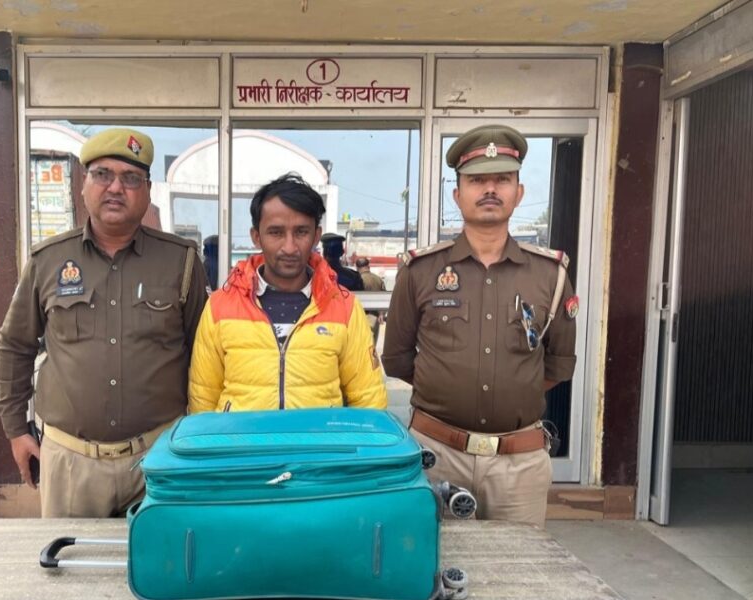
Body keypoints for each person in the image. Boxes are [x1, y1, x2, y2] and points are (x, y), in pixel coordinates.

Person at [0, 128, 208, 518]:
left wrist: (196, 438)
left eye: (131, 179)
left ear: (147, 191)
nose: (115, 188)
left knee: (159, 555)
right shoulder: (48, 261)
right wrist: (16, 430)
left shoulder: (182, 261)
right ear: (83, 184)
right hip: (71, 461)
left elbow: (204, 352)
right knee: (68, 556)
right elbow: (15, 346)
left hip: (159, 456)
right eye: (102, 175)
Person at [382, 124, 577, 528]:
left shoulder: (550, 274)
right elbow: (398, 359)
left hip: (519, 463)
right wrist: (448, 386)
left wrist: (511, 391)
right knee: (434, 561)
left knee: (518, 566)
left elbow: (557, 365)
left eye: (502, 179)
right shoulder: (420, 271)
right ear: (457, 195)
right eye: (476, 180)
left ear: (518, 192)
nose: (490, 189)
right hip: (437, 454)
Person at [189, 173, 387, 412]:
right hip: (240, 438)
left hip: (318, 438)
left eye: (301, 232)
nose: (290, 247)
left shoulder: (344, 307)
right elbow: (203, 400)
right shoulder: (220, 307)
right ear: (256, 237)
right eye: (276, 232)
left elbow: (369, 400)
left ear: (316, 236)